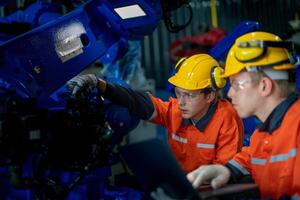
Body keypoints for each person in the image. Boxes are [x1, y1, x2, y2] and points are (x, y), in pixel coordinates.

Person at [67, 53, 244, 173]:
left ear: (210, 96)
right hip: (181, 186)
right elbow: (140, 101)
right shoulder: (177, 111)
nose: (181, 102)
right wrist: (100, 84)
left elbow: (223, 175)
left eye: (189, 95)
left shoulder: (226, 119)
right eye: (178, 93)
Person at [187, 32, 300, 199]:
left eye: (235, 84)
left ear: (264, 86)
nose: (230, 93)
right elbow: (253, 156)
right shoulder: (265, 132)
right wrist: (226, 170)